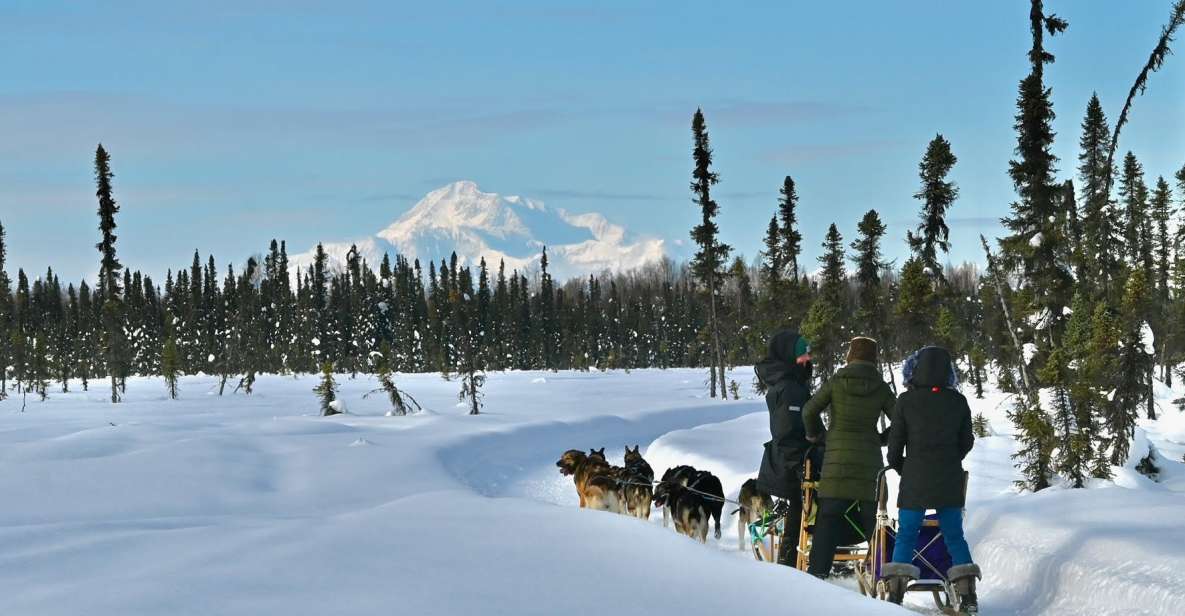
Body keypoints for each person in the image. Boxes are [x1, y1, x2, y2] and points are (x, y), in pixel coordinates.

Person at [884, 346, 979, 613]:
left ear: (916, 369)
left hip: (915, 478)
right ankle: (968, 596)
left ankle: (895, 596)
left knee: (906, 535)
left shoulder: (905, 401)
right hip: (949, 478)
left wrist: (905, 467)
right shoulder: (958, 401)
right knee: (954, 536)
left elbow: (894, 449)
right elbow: (967, 441)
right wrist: (951, 459)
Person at [801, 336, 896, 578]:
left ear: (850, 356)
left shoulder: (836, 382)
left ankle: (816, 577)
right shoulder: (881, 387)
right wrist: (881, 439)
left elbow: (809, 410)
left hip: (836, 466)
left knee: (827, 522)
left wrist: (818, 436)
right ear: (873, 359)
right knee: (873, 526)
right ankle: (883, 577)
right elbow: (902, 422)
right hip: (869, 468)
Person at [755, 330, 817, 566]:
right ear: (790, 356)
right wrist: (797, 465)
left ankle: (793, 557)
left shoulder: (791, 383)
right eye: (803, 355)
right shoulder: (788, 388)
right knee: (799, 507)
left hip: (793, 459)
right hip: (791, 462)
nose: (807, 359)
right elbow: (786, 432)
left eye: (808, 354)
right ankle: (788, 561)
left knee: (800, 507)